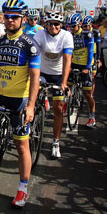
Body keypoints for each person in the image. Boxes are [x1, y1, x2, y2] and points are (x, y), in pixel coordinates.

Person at [0, 0, 40, 208]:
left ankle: (22, 189)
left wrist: (30, 106)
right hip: (0, 96)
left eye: (14, 17)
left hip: (19, 101)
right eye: (7, 16)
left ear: (22, 19)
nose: (10, 20)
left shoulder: (30, 45)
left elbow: (35, 78)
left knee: (22, 145)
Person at [34, 10, 73, 158]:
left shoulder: (66, 36)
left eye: (56, 24)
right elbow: (35, 54)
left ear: (61, 25)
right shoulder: (40, 34)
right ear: (46, 24)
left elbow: (67, 59)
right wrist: (34, 77)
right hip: (42, 72)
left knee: (58, 108)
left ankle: (55, 142)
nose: (53, 27)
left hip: (58, 75)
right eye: (50, 24)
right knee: (32, 99)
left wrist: (64, 82)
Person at [66, 13, 95, 127]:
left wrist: (87, 67)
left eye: (74, 26)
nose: (72, 28)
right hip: (74, 64)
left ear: (79, 24)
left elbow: (91, 52)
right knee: (67, 86)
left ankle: (92, 117)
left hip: (85, 66)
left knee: (88, 94)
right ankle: (67, 104)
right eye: (70, 26)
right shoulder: (69, 36)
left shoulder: (87, 35)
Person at [81, 15, 100, 115]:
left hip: (94, 56)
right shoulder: (81, 33)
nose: (84, 28)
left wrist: (98, 59)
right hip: (82, 59)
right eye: (82, 26)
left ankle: (91, 93)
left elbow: (98, 46)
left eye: (86, 26)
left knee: (92, 76)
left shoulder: (96, 32)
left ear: (90, 25)